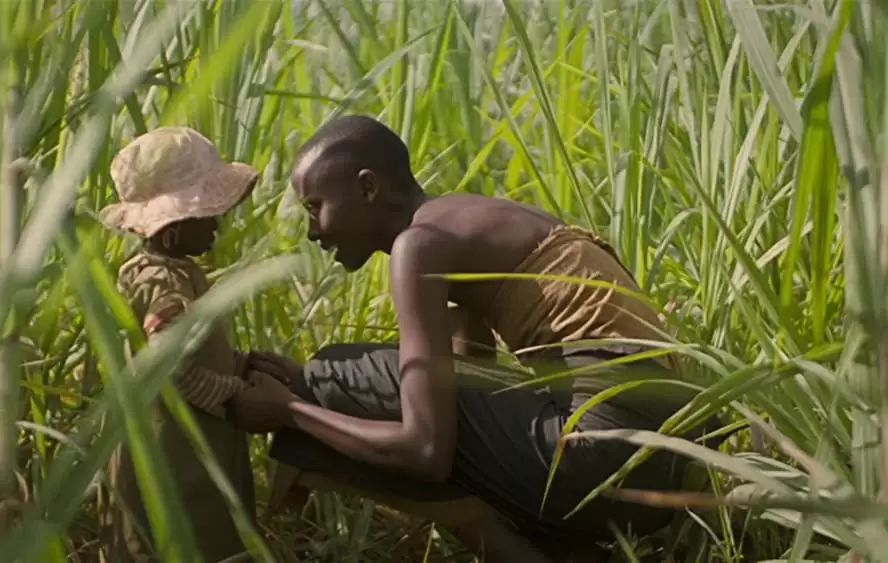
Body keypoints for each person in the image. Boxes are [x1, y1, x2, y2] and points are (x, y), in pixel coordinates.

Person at [231, 115, 726, 562]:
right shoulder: (463, 219)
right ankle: (562, 547)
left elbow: (426, 451)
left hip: (609, 464)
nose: (312, 232)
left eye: (315, 207)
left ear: (366, 188)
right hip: (664, 462)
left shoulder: (418, 246)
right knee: (369, 381)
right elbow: (470, 355)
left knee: (343, 373)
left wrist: (293, 409)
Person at [96, 127, 261, 562]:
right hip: (175, 441)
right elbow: (168, 364)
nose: (217, 225)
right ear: (172, 230)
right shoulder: (163, 282)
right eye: (208, 217)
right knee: (183, 532)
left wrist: (241, 363)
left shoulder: (172, 273)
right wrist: (232, 394)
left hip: (181, 433)